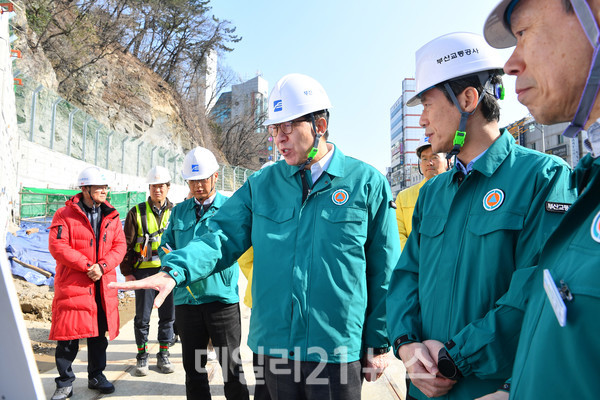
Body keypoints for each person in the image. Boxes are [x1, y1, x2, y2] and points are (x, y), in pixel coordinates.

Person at [110, 73, 400, 400]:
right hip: (274, 346)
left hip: (336, 347)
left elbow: (384, 268)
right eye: (274, 129)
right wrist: (175, 269)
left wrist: (378, 339)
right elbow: (219, 234)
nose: (279, 139)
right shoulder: (262, 185)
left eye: (287, 127)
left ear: (319, 125)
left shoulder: (366, 183)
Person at [385, 32, 576, 400]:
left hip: (490, 389)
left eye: (427, 104)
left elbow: (538, 289)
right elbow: (407, 274)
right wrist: (407, 345)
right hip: (422, 386)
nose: (422, 120)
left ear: (468, 99)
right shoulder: (432, 193)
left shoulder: (543, 178)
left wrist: (457, 359)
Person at [476, 1, 600, 399]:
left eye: (524, 33)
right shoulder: (589, 191)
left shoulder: (544, 175)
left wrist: (458, 361)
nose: (511, 64)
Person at [159, 146, 249, 400]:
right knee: (194, 369)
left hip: (220, 300)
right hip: (187, 301)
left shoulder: (230, 209)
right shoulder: (179, 211)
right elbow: (165, 247)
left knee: (232, 368)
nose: (197, 185)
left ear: (216, 177)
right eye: (192, 180)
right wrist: (172, 260)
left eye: (202, 179)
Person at [48, 166, 126, 400]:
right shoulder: (64, 215)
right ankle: (64, 382)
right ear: (85, 189)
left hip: (102, 284)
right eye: (99, 187)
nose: (104, 191)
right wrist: (87, 266)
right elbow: (58, 246)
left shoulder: (112, 215)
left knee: (98, 335)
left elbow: (120, 246)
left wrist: (101, 267)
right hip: (75, 285)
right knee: (68, 337)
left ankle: (96, 376)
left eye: (105, 187)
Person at [120, 165, 175, 376]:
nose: (157, 190)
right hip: (143, 273)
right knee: (142, 318)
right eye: (154, 186)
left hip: (168, 272)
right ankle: (142, 356)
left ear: (168, 188)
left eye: (161, 186)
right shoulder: (136, 212)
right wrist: (127, 271)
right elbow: (126, 243)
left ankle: (164, 353)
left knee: (168, 316)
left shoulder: (177, 212)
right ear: (149, 188)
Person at [395, 136, 448, 250]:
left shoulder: (458, 191)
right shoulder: (404, 196)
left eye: (434, 157)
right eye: (424, 159)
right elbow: (397, 233)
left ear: (447, 162)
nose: (429, 163)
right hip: (415, 263)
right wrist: (415, 257)